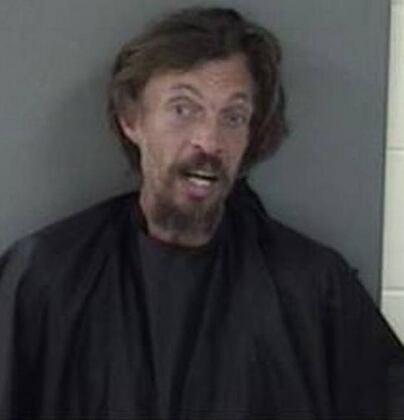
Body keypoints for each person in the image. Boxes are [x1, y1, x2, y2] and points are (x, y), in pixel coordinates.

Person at [0, 6, 403, 420]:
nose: (210, 142)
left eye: (233, 117)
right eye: (183, 108)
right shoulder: (44, 279)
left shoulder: (313, 291)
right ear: (131, 120)